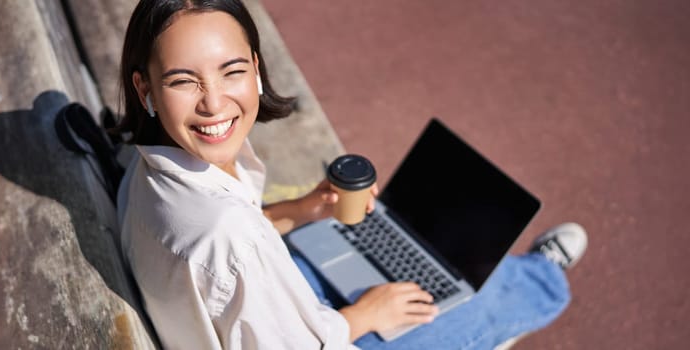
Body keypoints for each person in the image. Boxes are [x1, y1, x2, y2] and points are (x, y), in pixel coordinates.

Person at [114, 0, 588, 349]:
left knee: (363, 253)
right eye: (183, 80)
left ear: (255, 69)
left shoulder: (149, 161)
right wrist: (363, 315)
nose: (214, 103)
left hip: (248, 313)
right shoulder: (231, 238)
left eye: (230, 71)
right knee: (479, 301)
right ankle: (542, 275)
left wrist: (302, 211)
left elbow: (234, 254)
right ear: (145, 87)